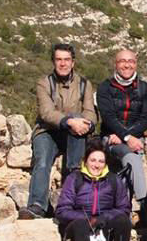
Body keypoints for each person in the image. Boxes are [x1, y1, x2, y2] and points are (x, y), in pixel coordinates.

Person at [20, 43, 96, 220]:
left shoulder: (84, 84)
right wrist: (70, 121)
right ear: (53, 62)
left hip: (75, 133)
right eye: (59, 59)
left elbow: (90, 112)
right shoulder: (44, 83)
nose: (63, 64)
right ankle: (37, 205)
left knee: (75, 162)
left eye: (67, 60)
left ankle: (69, 203)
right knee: (42, 161)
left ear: (73, 63)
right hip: (48, 131)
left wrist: (87, 124)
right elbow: (46, 112)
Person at [55, 138, 133, 241]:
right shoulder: (74, 179)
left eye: (101, 161)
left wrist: (104, 218)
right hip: (80, 228)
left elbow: (124, 208)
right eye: (93, 160)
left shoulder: (113, 180)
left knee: (123, 221)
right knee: (80, 225)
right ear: (85, 161)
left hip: (104, 226)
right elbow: (62, 211)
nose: (96, 165)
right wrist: (87, 220)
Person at [97, 49, 147, 206]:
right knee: (131, 156)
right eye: (123, 61)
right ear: (115, 64)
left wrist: (125, 136)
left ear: (135, 64)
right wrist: (126, 137)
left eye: (131, 61)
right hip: (111, 137)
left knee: (130, 154)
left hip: (133, 137)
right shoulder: (105, 88)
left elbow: (146, 119)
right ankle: (145, 204)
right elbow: (108, 117)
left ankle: (126, 207)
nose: (127, 65)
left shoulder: (146, 89)